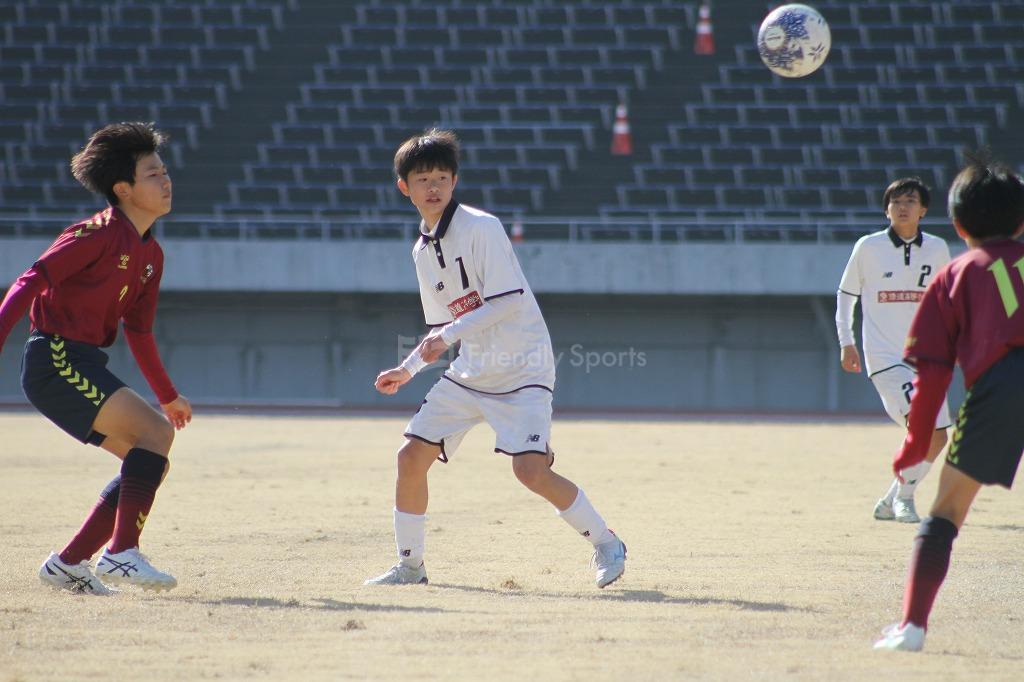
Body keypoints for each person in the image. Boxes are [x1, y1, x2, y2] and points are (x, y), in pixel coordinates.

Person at [365, 129, 626, 588]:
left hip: (524, 368)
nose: (433, 187)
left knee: (529, 472)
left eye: (442, 178)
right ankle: (410, 566)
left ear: (454, 181)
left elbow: (506, 301)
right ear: (404, 187)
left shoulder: (482, 228)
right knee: (410, 457)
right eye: (423, 179)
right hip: (470, 374)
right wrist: (407, 370)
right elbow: (441, 327)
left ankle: (607, 543)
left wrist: (447, 337)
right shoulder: (421, 251)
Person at [0, 122, 191, 594]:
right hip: (55, 357)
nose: (166, 180)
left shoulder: (151, 254)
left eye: (165, 171)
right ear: (123, 189)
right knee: (155, 437)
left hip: (82, 360)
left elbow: (139, 331)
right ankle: (122, 553)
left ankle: (67, 565)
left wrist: (168, 396)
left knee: (150, 457)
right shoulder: (94, 233)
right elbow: (29, 281)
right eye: (153, 174)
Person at [874, 157, 1024, 652]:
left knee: (945, 511)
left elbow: (934, 373)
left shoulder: (954, 274)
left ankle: (912, 628)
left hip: (1002, 388)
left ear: (958, 225)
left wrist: (915, 446)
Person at [836, 177, 952, 523]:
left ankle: (891, 500)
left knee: (939, 437)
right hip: (885, 358)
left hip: (926, 358)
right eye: (896, 201)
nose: (903, 207)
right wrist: (846, 342)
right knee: (922, 425)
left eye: (910, 201)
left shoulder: (938, 248)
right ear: (886, 209)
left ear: (923, 209)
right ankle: (905, 500)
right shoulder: (868, 247)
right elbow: (846, 295)